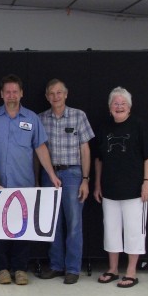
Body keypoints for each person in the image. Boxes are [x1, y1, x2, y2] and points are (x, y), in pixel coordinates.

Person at [0, 74, 61, 286]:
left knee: (21, 227)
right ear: (1, 94)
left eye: (15, 91)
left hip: (23, 183)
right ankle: (2, 269)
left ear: (21, 93)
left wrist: (51, 174)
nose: (11, 95)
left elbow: (40, 148)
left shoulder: (32, 119)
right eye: (8, 92)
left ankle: (21, 268)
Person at [94, 87, 148, 288]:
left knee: (133, 231)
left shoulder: (139, 125)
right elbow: (99, 159)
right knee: (111, 230)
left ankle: (131, 271)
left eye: (122, 104)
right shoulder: (104, 128)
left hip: (134, 191)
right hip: (110, 191)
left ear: (129, 107)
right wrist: (97, 184)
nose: (118, 107)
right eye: (115, 103)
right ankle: (112, 269)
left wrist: (147, 182)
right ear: (109, 107)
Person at [38, 79, 95, 285]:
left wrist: (86, 180)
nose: (56, 97)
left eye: (59, 93)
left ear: (66, 94)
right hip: (49, 174)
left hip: (72, 174)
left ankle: (72, 268)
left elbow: (85, 149)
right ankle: (55, 265)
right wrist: (39, 179)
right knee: (52, 222)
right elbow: (38, 151)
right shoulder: (40, 119)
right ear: (46, 96)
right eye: (51, 93)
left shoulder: (79, 116)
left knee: (74, 223)